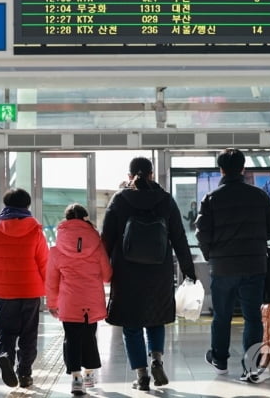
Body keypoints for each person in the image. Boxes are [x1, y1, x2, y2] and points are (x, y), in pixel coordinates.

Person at [101, 156, 196, 391]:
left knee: (131, 325)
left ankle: (141, 375)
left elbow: (106, 239)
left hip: (126, 273)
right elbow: (179, 238)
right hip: (158, 272)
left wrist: (100, 270)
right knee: (156, 319)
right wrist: (188, 271)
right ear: (152, 174)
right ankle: (156, 360)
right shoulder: (165, 200)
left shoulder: (119, 200)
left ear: (129, 176)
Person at [195, 148, 270, 382]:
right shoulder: (259, 196)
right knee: (252, 317)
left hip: (222, 268)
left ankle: (220, 361)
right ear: (243, 168)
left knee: (221, 316)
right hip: (254, 265)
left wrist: (211, 254)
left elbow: (202, 233)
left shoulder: (212, 198)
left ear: (221, 170)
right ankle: (252, 366)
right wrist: (256, 238)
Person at [0, 188, 48, 389]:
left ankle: (5, 355)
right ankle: (24, 374)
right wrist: (52, 292)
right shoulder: (36, 231)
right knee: (28, 335)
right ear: (27, 206)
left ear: (6, 205)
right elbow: (45, 264)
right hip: (31, 291)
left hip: (5, 293)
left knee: (6, 332)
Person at [46, 203, 112, 396]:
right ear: (85, 219)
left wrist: (52, 303)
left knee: (72, 338)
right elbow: (107, 275)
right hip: (92, 299)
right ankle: (89, 373)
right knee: (89, 336)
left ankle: (76, 378)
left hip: (69, 301)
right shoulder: (97, 244)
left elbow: (51, 281)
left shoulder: (57, 249)